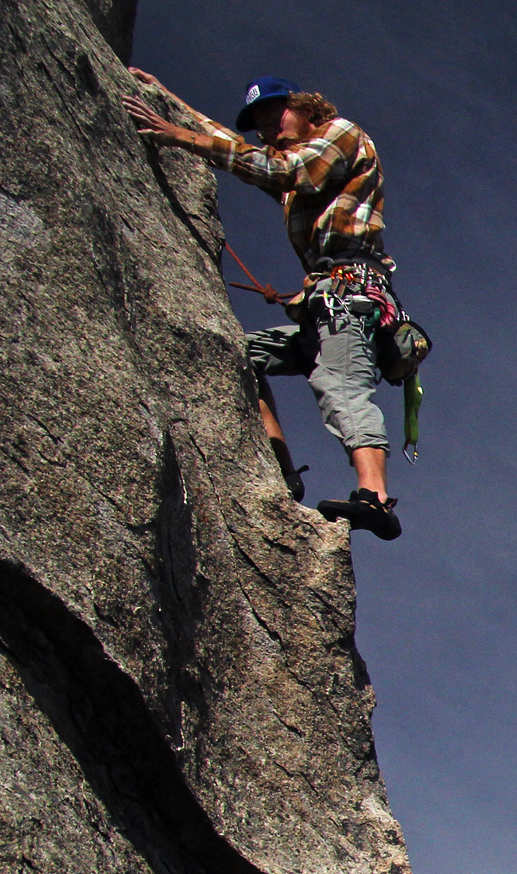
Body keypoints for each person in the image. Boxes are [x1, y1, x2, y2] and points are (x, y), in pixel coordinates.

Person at [122, 72, 407, 540]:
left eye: (276, 112)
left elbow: (282, 170)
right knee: (236, 355)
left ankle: (374, 497)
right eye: (260, 122)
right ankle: (281, 470)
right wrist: (169, 99)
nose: (269, 126)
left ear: (305, 107)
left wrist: (182, 138)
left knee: (340, 385)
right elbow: (240, 149)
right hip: (320, 304)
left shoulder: (339, 135)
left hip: (350, 293)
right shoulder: (297, 177)